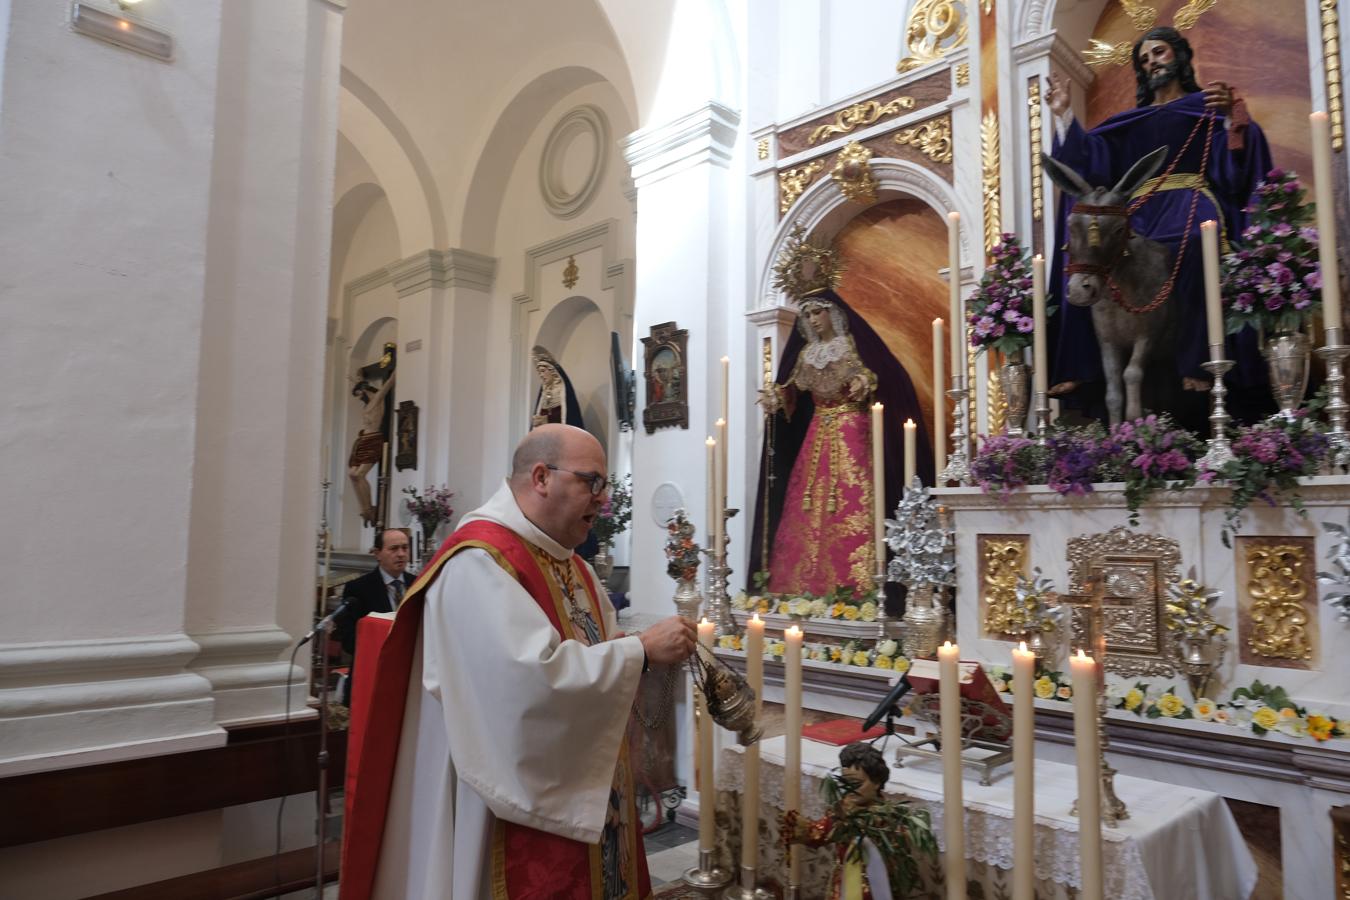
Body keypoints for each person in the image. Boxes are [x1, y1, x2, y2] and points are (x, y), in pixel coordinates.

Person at [339, 424, 696, 900]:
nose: (602, 499)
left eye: (604, 485)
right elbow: (527, 686)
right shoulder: (479, 562)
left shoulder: (574, 566)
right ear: (542, 476)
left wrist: (629, 650)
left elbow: (589, 651)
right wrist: (640, 651)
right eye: (591, 482)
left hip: (579, 795)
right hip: (501, 806)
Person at [1045, 26, 1273, 426]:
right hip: (1141, 208)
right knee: (1094, 253)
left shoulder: (1206, 107)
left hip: (1192, 202)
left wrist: (1227, 119)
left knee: (1191, 244)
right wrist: (1065, 114)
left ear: (1181, 58)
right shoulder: (1130, 123)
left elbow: (1237, 161)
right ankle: (1086, 364)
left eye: (1160, 53)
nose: (1152, 62)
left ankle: (1199, 363)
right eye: (1145, 59)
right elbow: (1089, 163)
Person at [747, 289, 931, 602]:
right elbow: (794, 391)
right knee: (807, 503)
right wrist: (778, 398)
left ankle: (859, 588)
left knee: (853, 497)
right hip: (818, 433)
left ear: (834, 313)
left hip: (852, 430)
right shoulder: (807, 355)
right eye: (806, 315)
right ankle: (803, 586)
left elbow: (881, 375)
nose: (812, 320)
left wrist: (865, 382)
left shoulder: (852, 347)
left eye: (817, 312)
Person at [781, 741, 935, 900]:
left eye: (857, 784)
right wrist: (800, 828)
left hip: (877, 887)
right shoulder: (842, 810)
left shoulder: (889, 817)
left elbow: (897, 852)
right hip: (844, 885)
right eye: (845, 783)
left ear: (876, 782)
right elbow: (821, 833)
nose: (850, 790)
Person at [332, 528, 413, 704]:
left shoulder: (419, 584)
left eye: (405, 548)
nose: (401, 554)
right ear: (377, 553)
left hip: (409, 679)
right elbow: (349, 640)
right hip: (373, 676)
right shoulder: (358, 589)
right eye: (394, 549)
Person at [348, 369, 397, 526]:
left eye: (359, 393)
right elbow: (359, 382)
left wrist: (397, 371)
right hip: (362, 440)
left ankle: (370, 509)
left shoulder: (377, 399)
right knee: (352, 475)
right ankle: (364, 508)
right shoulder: (368, 405)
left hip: (373, 440)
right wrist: (358, 377)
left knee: (360, 475)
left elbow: (388, 383)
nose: (359, 397)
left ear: (364, 390)